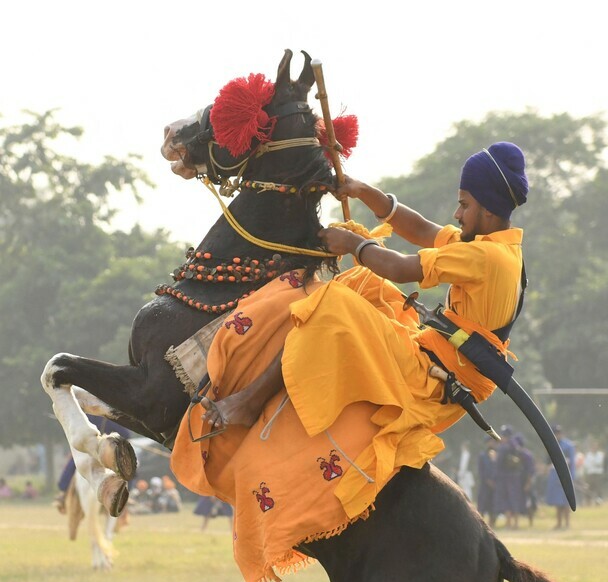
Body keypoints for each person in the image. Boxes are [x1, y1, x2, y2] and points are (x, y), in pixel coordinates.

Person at [199, 142, 528, 442]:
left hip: (434, 379)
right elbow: (422, 229)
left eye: (464, 204)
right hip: (431, 353)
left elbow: (399, 269)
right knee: (361, 282)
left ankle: (251, 401)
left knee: (335, 302)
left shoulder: (484, 256)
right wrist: (363, 191)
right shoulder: (488, 245)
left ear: (488, 210)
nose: (457, 214)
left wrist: (353, 243)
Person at [545, 425, 576, 529]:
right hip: (554, 475)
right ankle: (559, 523)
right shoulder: (551, 444)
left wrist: (572, 477)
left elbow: (571, 463)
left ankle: (567, 523)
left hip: (565, 475)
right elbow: (548, 462)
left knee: (566, 501)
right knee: (557, 501)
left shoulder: (568, 446)